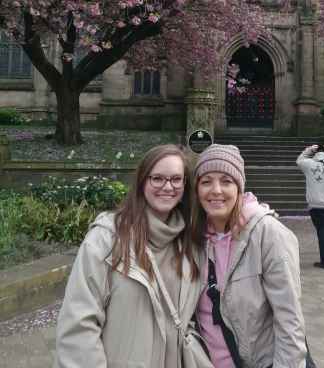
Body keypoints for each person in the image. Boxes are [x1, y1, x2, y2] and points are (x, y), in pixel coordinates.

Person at [54, 145, 204, 368]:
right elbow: (79, 326)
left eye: (176, 179)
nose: (167, 187)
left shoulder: (191, 243)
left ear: (185, 185)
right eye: (157, 179)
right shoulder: (106, 239)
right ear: (143, 181)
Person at [192, 144, 307, 368]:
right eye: (206, 181)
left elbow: (290, 321)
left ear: (239, 188)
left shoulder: (269, 234)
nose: (215, 190)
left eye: (226, 181)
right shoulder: (193, 237)